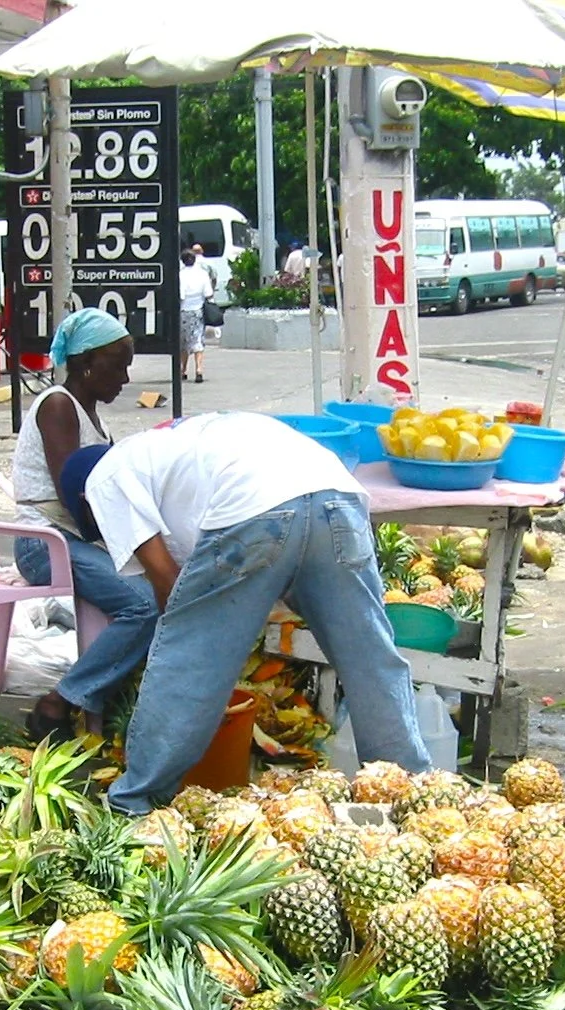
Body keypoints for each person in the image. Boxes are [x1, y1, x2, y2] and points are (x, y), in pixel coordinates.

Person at [57, 412, 431, 817]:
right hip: (335, 492)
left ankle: (133, 803)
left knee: (188, 663)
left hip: (256, 507)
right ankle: (409, 794)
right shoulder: (173, 443)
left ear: (83, 502)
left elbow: (167, 586)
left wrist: (185, 662)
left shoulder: (102, 479)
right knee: (371, 659)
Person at [10, 308, 158, 741]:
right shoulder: (59, 406)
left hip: (71, 540)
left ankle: (101, 698)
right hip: (46, 544)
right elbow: (74, 495)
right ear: (86, 363)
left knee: (157, 583)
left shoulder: (90, 413)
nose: (125, 380)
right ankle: (63, 700)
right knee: (144, 604)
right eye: (118, 367)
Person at [178, 249, 214, 384]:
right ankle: (199, 369)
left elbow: (180, 296)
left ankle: (183, 370)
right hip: (198, 310)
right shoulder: (203, 274)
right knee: (198, 339)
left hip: (183, 311)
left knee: (184, 342)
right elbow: (208, 293)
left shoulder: (180, 275)